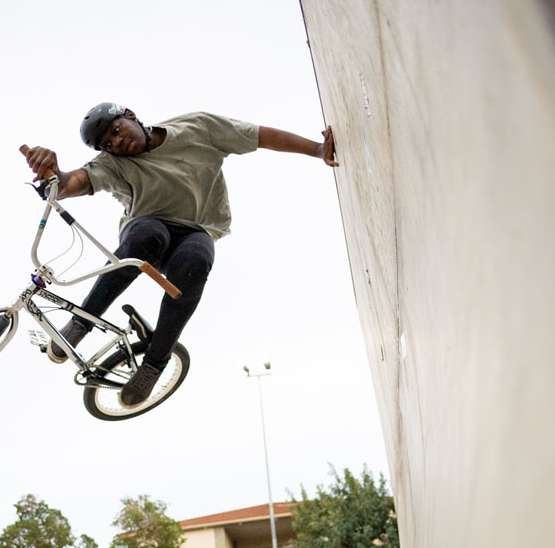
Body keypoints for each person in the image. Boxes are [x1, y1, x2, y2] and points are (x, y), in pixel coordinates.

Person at [20, 104, 337, 405]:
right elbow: (72, 182)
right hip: (145, 230)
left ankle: (153, 366)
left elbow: (261, 136)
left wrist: (318, 150)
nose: (118, 142)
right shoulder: (112, 164)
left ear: (131, 115)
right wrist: (55, 175)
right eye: (109, 143)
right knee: (149, 234)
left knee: (196, 260)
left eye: (117, 130)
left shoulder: (198, 128)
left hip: (196, 230)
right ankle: (81, 323)